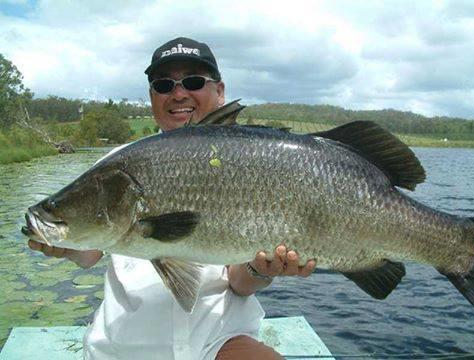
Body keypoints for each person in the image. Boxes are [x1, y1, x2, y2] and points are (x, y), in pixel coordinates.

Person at [28, 37, 317, 360]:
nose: (178, 93)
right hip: (124, 347)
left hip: (219, 340)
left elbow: (239, 283)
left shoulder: (254, 162)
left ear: (219, 91)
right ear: (152, 97)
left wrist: (262, 269)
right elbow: (89, 252)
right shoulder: (117, 165)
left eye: (193, 82)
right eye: (164, 85)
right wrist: (64, 242)